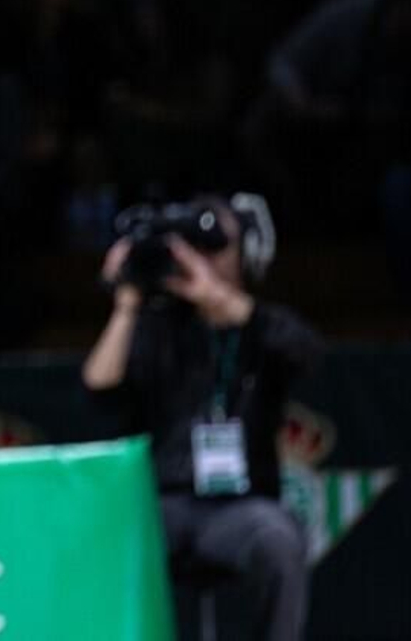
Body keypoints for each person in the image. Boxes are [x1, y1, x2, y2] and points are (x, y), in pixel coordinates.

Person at [82, 194, 323, 641]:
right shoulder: (156, 325)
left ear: (247, 254)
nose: (201, 258)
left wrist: (216, 298)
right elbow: (99, 387)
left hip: (240, 507)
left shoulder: (259, 328)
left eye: (215, 246)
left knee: (278, 540)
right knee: (104, 539)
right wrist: (126, 303)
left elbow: (305, 352)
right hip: (162, 506)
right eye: (191, 246)